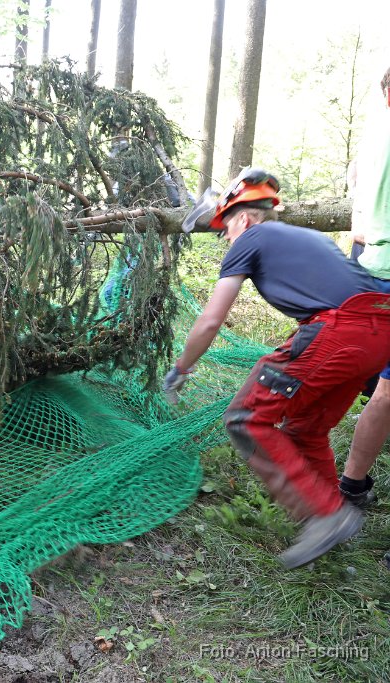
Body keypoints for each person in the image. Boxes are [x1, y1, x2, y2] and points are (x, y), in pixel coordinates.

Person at [164, 168, 390, 569]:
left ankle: (325, 515)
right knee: (307, 428)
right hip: (379, 332)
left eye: (225, 230)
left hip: (338, 330)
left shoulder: (249, 238)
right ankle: (335, 521)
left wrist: (182, 367)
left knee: (246, 418)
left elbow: (211, 320)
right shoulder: (307, 237)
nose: (227, 240)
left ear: (245, 218)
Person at [338, 66, 390, 510]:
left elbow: (358, 215)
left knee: (379, 388)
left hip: (369, 267)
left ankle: (353, 484)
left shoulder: (373, 140)